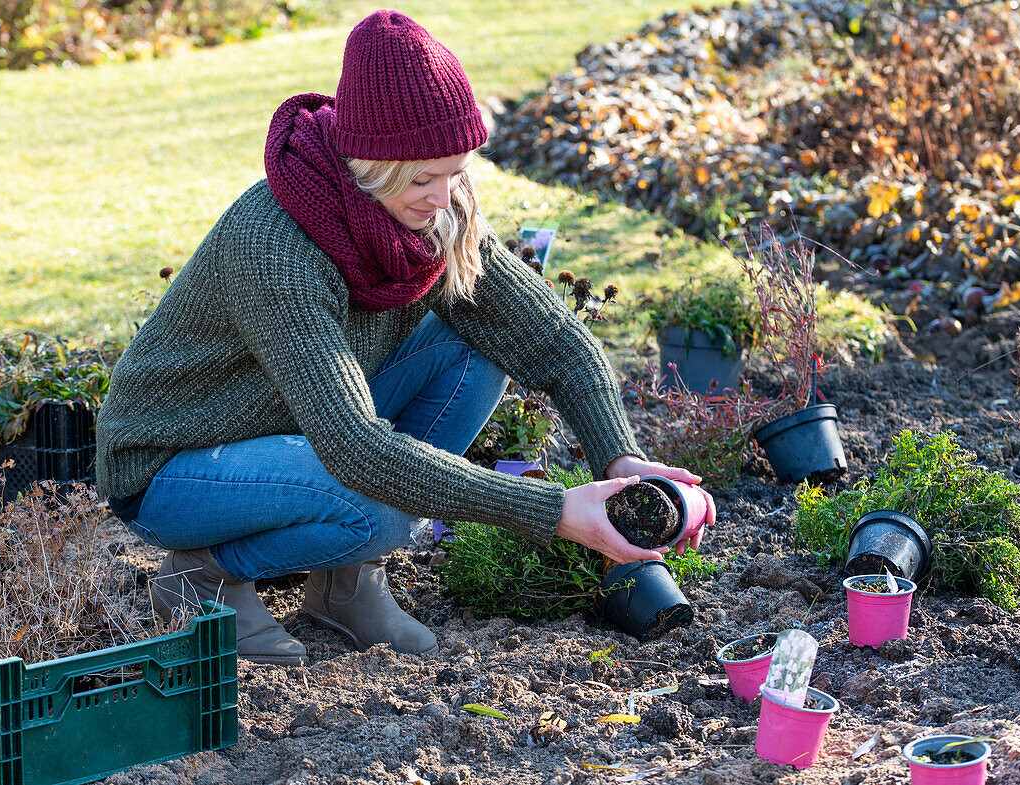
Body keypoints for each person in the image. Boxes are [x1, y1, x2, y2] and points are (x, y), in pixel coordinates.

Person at [95, 9, 716, 666]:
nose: (444, 194)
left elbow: (553, 340)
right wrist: (554, 509)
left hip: (283, 430)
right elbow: (357, 449)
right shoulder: (277, 246)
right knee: (381, 510)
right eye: (423, 178)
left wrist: (619, 458)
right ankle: (202, 576)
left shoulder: (429, 208)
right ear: (369, 163)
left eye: (455, 171)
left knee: (479, 346)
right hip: (175, 465)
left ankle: (344, 584)